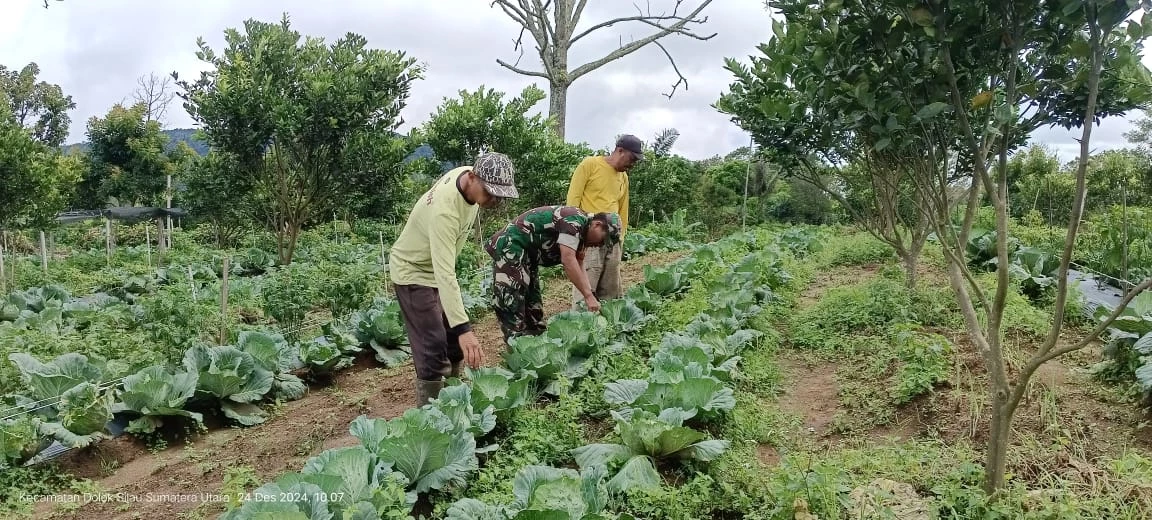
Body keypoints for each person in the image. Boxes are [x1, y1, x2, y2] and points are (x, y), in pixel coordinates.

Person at [389, 152, 519, 406]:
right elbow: (445, 272)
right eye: (490, 192)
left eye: (499, 194)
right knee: (433, 348)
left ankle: (454, 400)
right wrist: (465, 330)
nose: (494, 199)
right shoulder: (445, 213)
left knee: (453, 342)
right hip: (412, 270)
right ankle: (431, 415)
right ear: (472, 178)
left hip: (434, 269)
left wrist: (459, 331)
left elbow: (445, 272)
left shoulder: (468, 178)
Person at [485, 206, 622, 343]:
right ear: (597, 225)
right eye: (603, 240)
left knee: (533, 307)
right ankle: (515, 353)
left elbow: (579, 262)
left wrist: (591, 293)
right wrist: (587, 296)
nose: (599, 245)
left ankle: (535, 348)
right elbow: (568, 260)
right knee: (512, 302)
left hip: (527, 257)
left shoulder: (584, 234)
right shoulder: (575, 220)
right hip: (510, 247)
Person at [564, 134, 641, 307]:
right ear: (620, 151)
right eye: (632, 158)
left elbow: (623, 210)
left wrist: (621, 238)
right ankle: (581, 325)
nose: (633, 164)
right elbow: (572, 202)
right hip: (590, 238)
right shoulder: (590, 165)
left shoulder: (623, 177)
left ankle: (608, 329)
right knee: (586, 286)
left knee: (611, 291)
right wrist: (575, 237)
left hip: (613, 241)